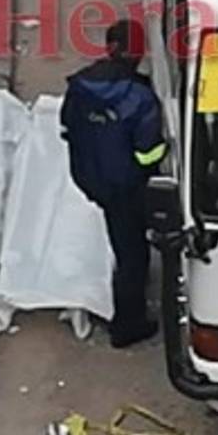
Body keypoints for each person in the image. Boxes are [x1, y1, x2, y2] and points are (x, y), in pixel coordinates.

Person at [60, 20, 165, 347]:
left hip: (92, 178)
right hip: (128, 186)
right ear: (139, 52)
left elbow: (67, 126)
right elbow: (148, 152)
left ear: (109, 47)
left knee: (123, 240)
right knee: (133, 255)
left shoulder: (81, 86)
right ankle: (128, 325)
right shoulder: (140, 97)